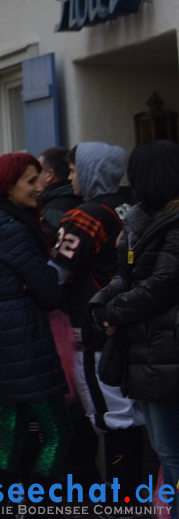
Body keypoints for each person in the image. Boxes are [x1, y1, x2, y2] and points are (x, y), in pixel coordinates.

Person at [0, 153, 71, 499]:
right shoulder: (12, 227)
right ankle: (36, 503)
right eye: (31, 180)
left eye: (40, 178)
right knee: (58, 431)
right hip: (23, 334)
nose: (40, 186)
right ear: (8, 186)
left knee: (13, 426)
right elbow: (48, 290)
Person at [90, 140, 179, 519]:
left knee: (171, 451)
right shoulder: (141, 220)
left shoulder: (174, 224)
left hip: (166, 351)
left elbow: (162, 283)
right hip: (148, 352)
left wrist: (114, 310)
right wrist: (100, 307)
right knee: (164, 448)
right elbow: (124, 276)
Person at [50, 143, 144, 491]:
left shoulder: (83, 215)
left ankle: (124, 500)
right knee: (130, 414)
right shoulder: (128, 205)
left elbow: (56, 272)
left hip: (92, 326)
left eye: (74, 169)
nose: (70, 176)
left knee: (111, 415)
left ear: (90, 170)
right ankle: (130, 496)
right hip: (127, 321)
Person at [38, 147, 81, 242]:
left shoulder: (54, 209)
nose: (35, 176)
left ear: (49, 175)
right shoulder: (79, 196)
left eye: (38, 171)